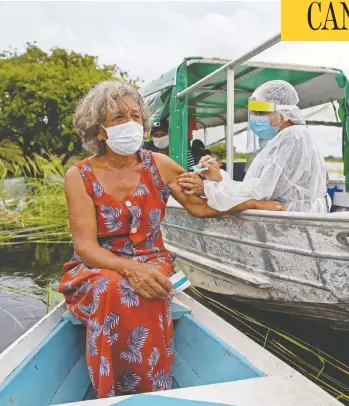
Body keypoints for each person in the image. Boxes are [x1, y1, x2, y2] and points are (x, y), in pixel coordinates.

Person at [59, 81, 284, 399]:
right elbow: (86, 247)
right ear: (99, 131)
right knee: (112, 288)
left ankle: (150, 390)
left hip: (152, 259)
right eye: (120, 118)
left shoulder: (158, 164)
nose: (132, 124)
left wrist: (241, 199)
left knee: (146, 287)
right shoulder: (78, 176)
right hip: (99, 263)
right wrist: (129, 269)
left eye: (136, 116)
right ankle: (112, 393)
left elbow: (200, 204)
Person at [178, 80, 330, 213]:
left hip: (293, 219)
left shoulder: (293, 136)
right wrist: (218, 178)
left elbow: (262, 193)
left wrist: (209, 188)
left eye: (262, 112)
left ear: (284, 112)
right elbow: (259, 186)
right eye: (254, 112)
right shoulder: (287, 137)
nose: (256, 117)